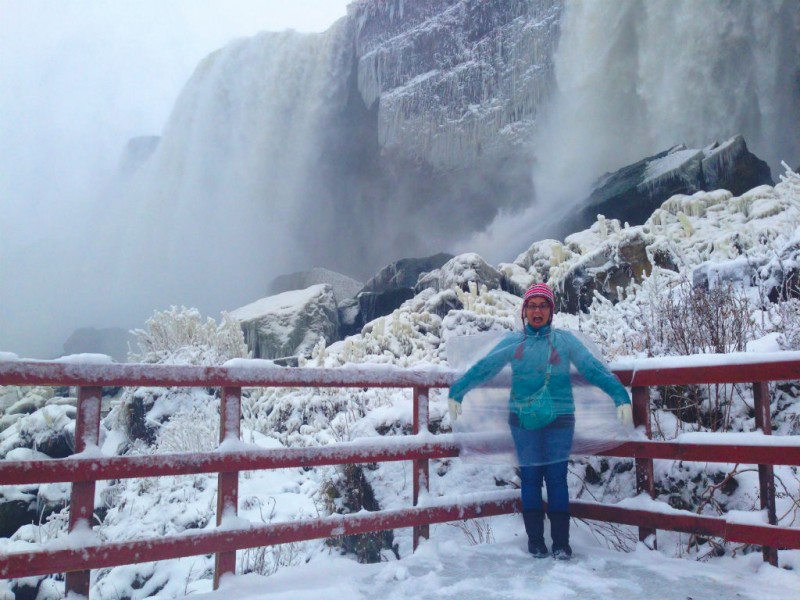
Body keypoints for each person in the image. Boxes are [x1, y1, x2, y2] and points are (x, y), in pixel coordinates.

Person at [447, 282, 633, 560]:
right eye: (532, 306)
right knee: (531, 479)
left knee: (556, 480)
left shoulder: (564, 341)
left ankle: (561, 544)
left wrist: (619, 395)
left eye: (543, 306)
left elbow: (592, 368)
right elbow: (486, 367)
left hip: (560, 420)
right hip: (523, 421)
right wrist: (458, 390)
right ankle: (535, 542)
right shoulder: (514, 342)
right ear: (524, 311)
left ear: (551, 311)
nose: (537, 311)